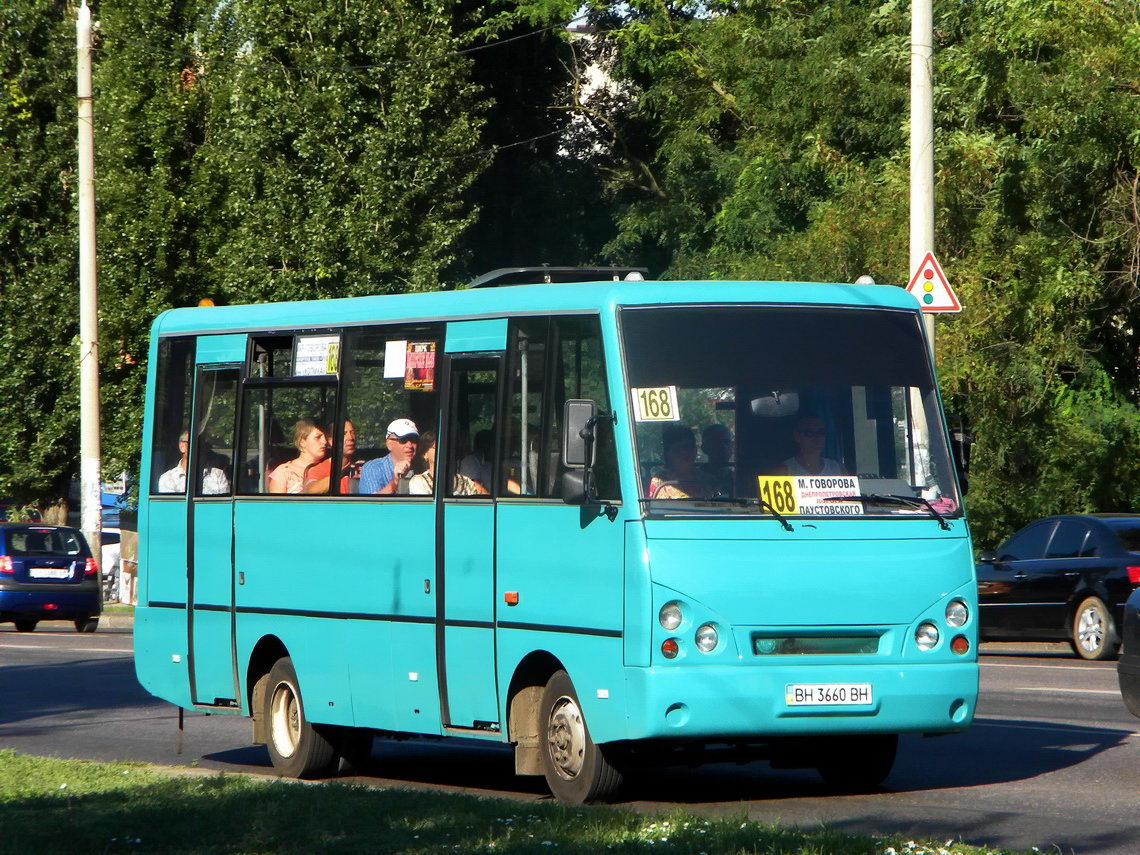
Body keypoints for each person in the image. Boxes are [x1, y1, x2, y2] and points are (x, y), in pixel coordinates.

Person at [409, 431, 488, 496]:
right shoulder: (418, 481)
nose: (442, 451)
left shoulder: (465, 481)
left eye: (445, 447)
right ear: (424, 454)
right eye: (437, 447)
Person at [648, 425, 716, 499]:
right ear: (668, 453)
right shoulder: (659, 481)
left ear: (695, 450)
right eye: (678, 449)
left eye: (688, 447)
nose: (684, 452)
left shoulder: (707, 480)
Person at [267, 419, 331, 494]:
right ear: (302, 442)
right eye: (318, 437)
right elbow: (275, 504)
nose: (324, 441)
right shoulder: (284, 472)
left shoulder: (330, 467)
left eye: (325, 437)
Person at [359, 418, 420, 495]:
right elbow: (371, 505)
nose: (409, 445)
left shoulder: (423, 468)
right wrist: (395, 481)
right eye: (403, 440)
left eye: (413, 440)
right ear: (389, 444)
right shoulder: (373, 468)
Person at [157, 431, 230, 495]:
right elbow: (172, 507)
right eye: (194, 442)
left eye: (203, 443)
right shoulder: (168, 478)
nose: (199, 447)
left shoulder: (218, 475)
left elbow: (223, 506)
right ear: (182, 446)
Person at [304, 420, 363, 494]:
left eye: (352, 432)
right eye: (344, 434)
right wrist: (343, 472)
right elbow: (311, 491)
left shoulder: (364, 467)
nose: (350, 437)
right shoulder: (318, 470)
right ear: (331, 441)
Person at [775, 414, 844, 476]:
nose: (817, 437)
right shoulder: (784, 471)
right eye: (809, 433)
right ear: (797, 436)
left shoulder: (836, 469)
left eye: (820, 432)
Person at [700, 423, 735, 495]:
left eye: (727, 442)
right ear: (704, 448)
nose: (723, 447)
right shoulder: (694, 478)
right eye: (716, 443)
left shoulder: (738, 479)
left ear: (732, 446)